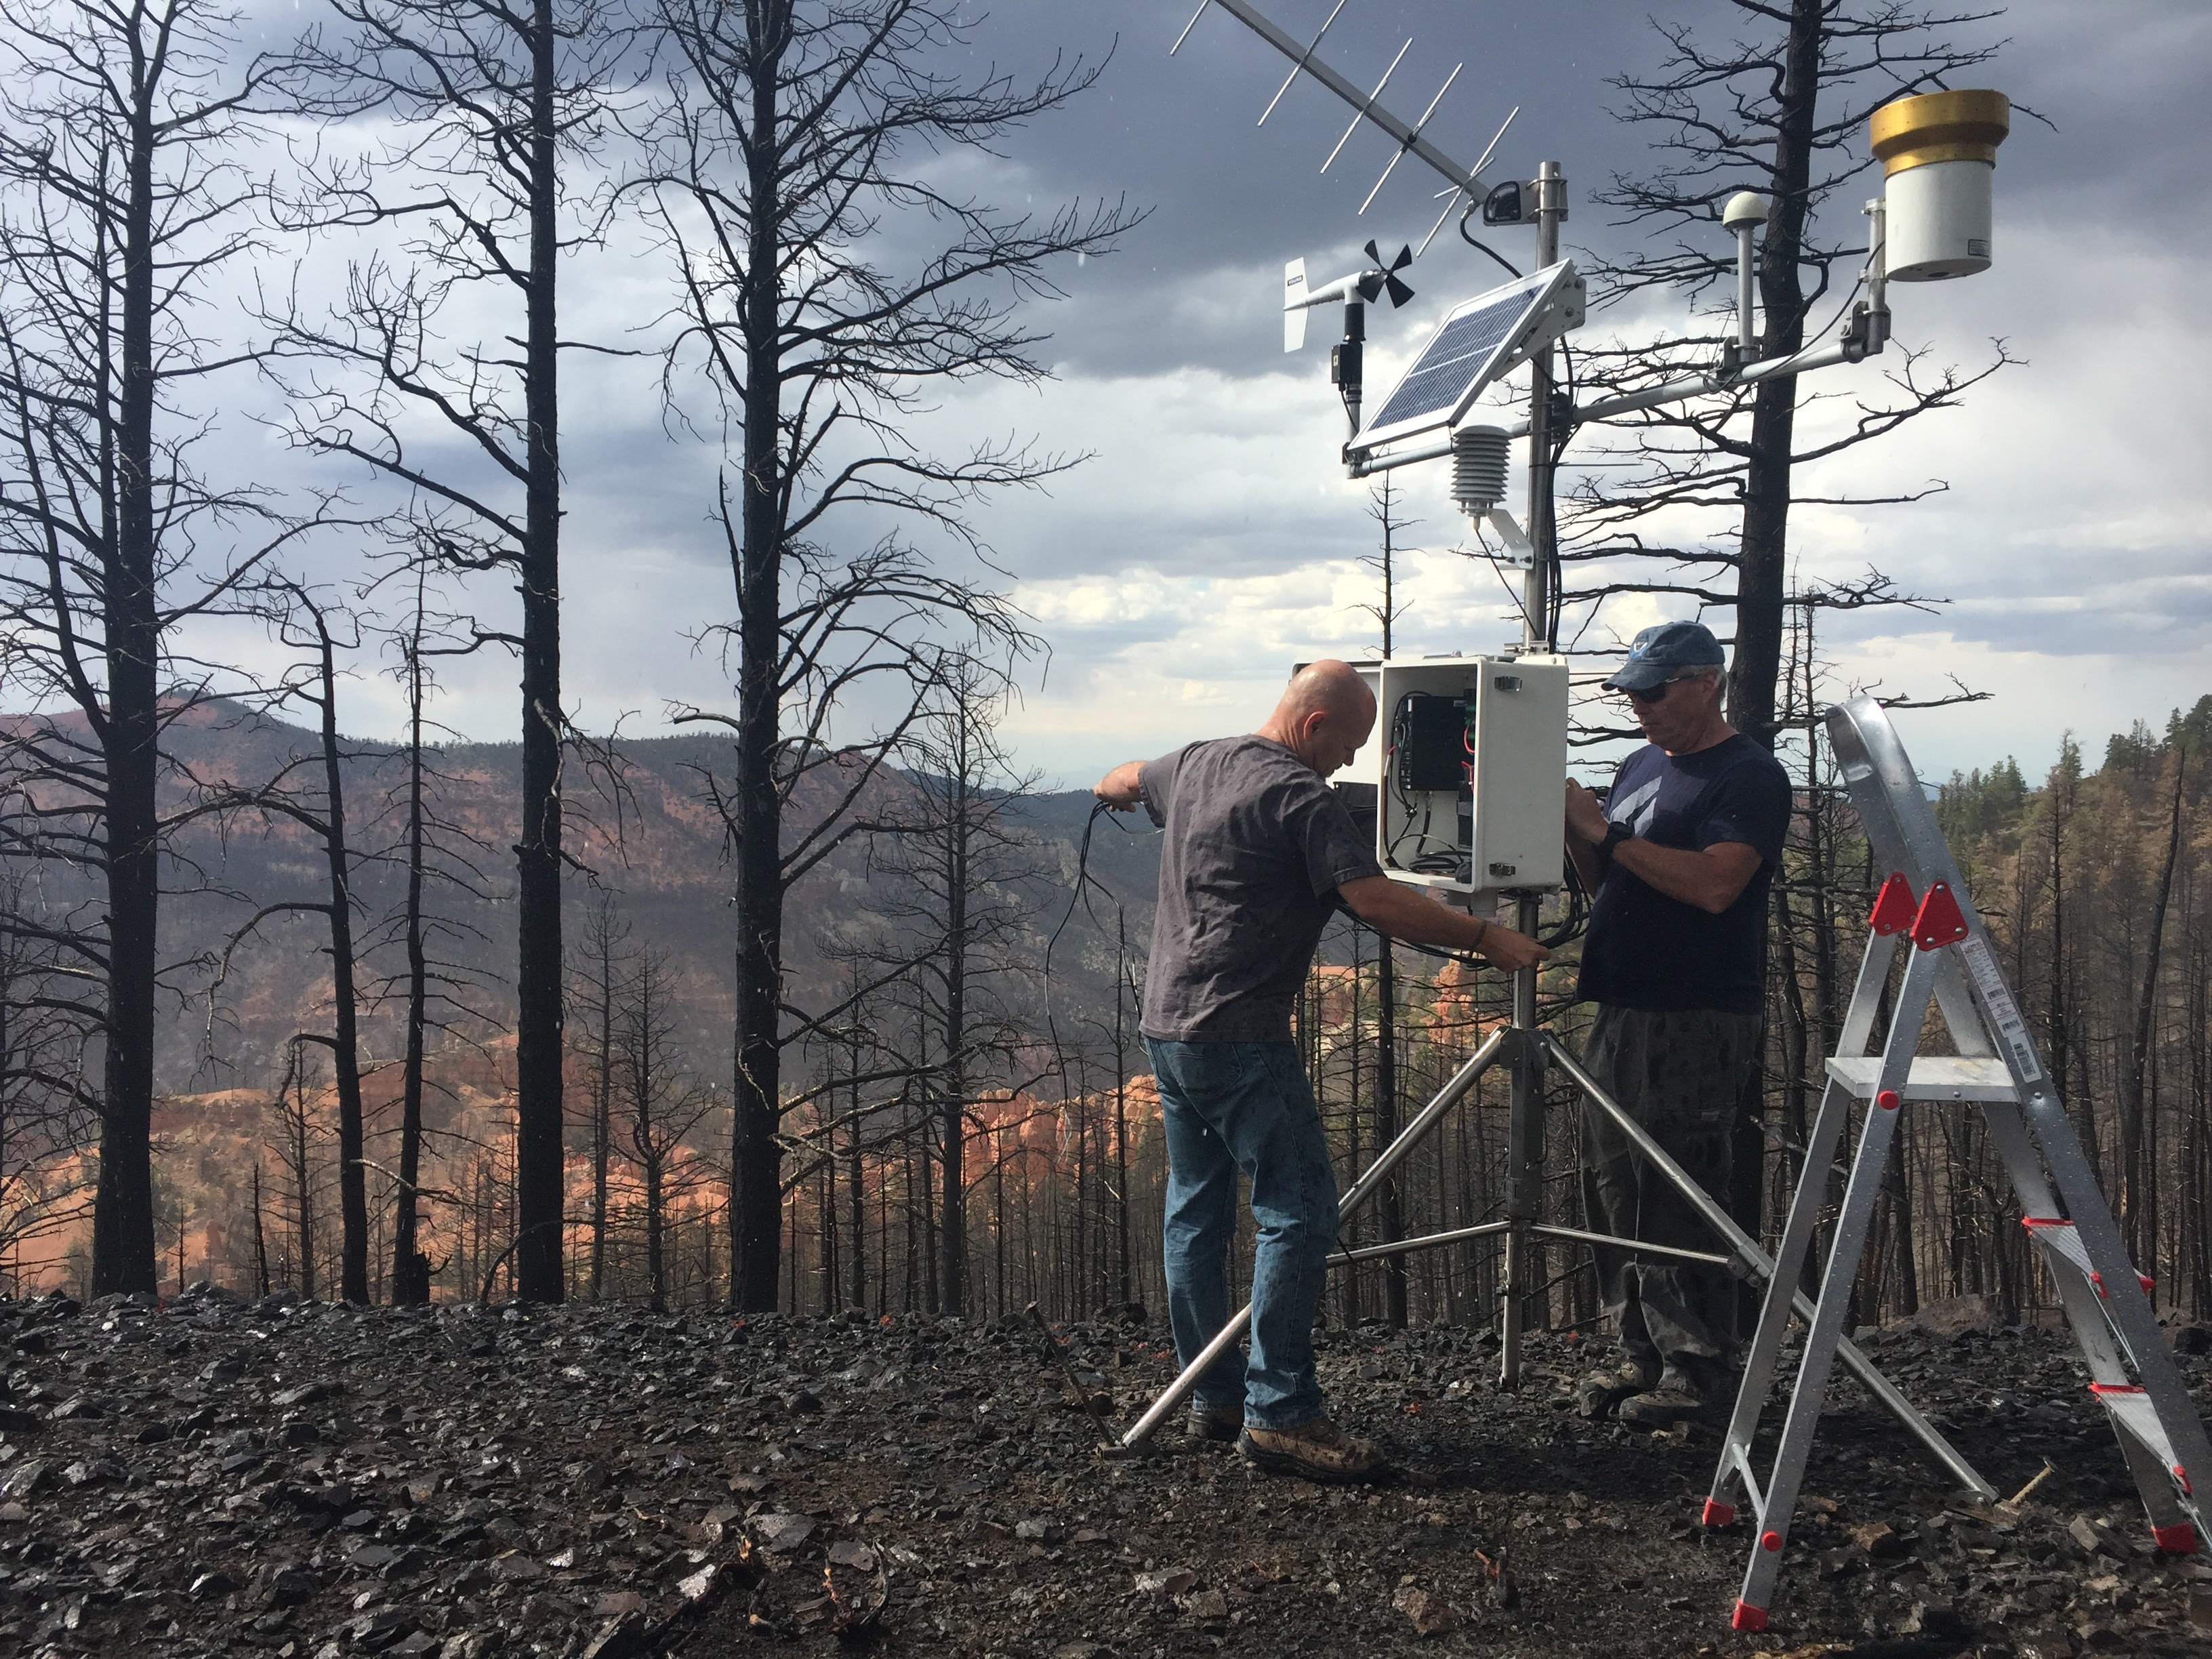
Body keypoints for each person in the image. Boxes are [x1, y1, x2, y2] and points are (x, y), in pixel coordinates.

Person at [1095, 660, 1549, 1482]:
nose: (1351, 761)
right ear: (1313, 726)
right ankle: (1282, 1414)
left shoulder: (1196, 761)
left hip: (1168, 1026)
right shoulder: (1299, 797)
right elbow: (1373, 898)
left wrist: (1111, 790)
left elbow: (1124, 776)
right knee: (1299, 1210)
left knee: (1195, 1212)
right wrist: (1488, 939)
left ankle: (1214, 1397)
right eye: (1348, 744)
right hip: (1239, 1034)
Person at [1561, 621, 1792, 1429]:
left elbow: (1716, 886)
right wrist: (1576, 832)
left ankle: (1699, 1368)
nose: (1640, 707)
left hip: (1696, 1010)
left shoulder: (1748, 775)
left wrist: (1606, 831)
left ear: (1707, 683)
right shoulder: (1640, 765)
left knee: (1679, 1184)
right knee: (1615, 1180)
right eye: (1632, 693)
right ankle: (1643, 1351)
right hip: (1624, 1002)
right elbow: (1609, 879)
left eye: (1654, 692)